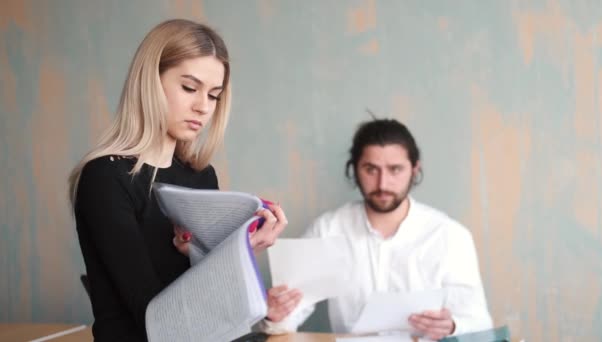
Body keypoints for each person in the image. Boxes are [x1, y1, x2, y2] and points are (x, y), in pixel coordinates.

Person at [68, 19, 296, 341]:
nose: (202, 107)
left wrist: (259, 306)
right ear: (150, 81)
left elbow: (212, 310)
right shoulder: (105, 177)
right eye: (189, 88)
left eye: (214, 95)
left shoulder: (201, 176)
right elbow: (158, 321)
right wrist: (239, 251)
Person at [261, 118, 493, 340]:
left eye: (395, 170)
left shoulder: (450, 236)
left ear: (414, 169)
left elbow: (480, 323)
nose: (383, 184)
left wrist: (452, 325)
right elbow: (285, 322)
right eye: (371, 170)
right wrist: (276, 313)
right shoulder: (328, 229)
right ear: (354, 169)